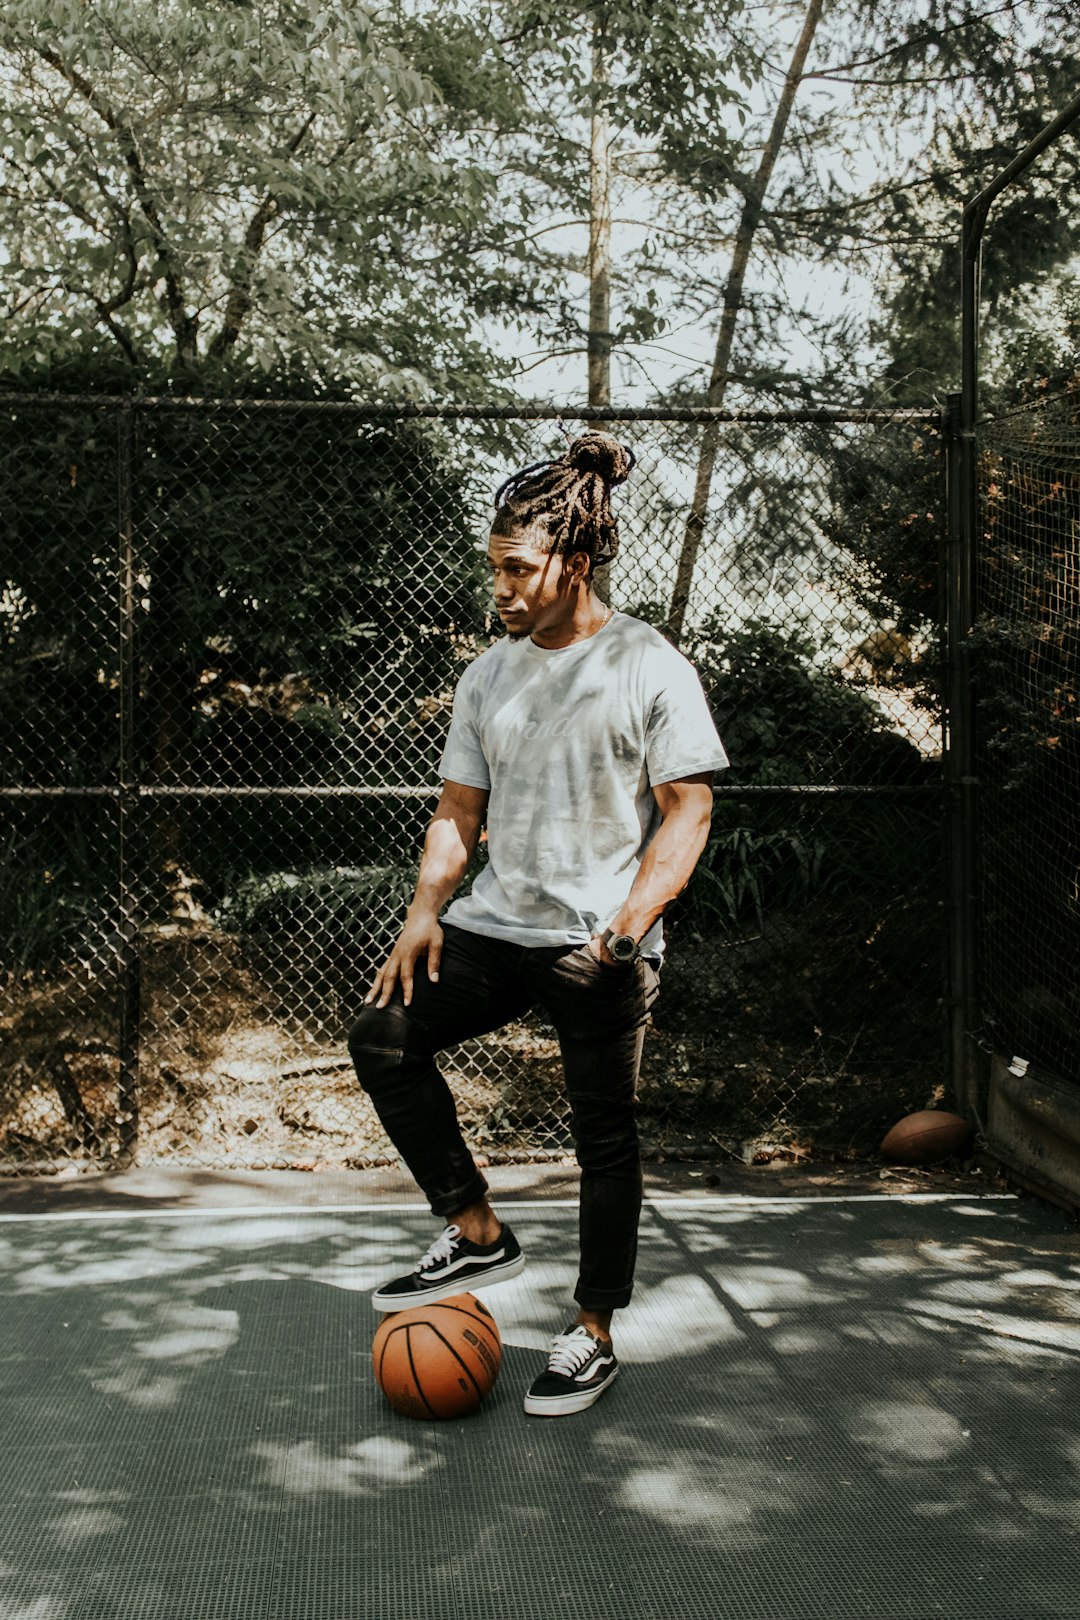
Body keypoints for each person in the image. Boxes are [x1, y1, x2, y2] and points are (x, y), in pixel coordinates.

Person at [348, 430, 728, 1417]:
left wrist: (626, 930)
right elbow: (456, 814)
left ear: (577, 560)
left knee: (604, 1133)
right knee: (385, 1035)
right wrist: (423, 914)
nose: (503, 589)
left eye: (519, 569)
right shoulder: (489, 675)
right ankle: (476, 1230)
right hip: (494, 929)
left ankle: (593, 1329)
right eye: (495, 570)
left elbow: (688, 810)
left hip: (597, 942)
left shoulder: (649, 664)